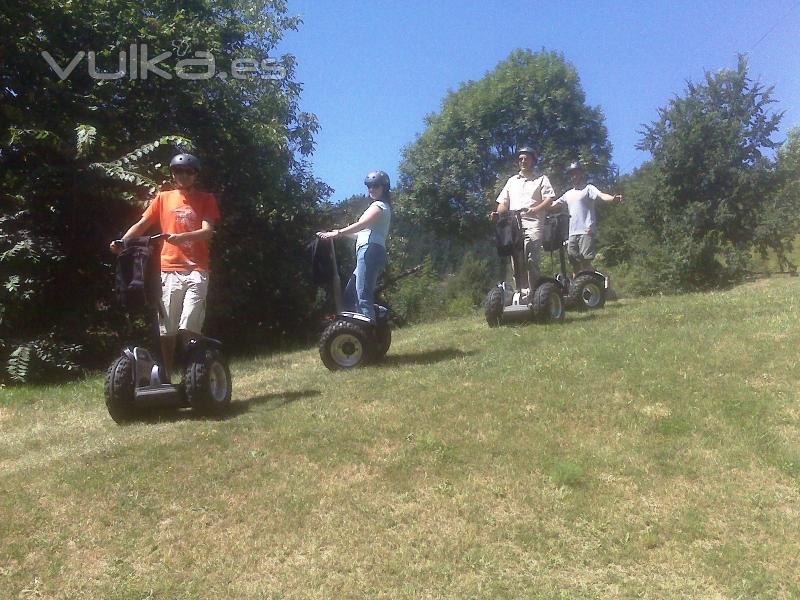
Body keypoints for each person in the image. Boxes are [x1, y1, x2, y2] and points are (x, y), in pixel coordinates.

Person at [110, 153, 220, 380]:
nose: (183, 175)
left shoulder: (206, 199)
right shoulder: (163, 198)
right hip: (168, 270)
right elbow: (142, 225)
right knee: (167, 329)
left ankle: (194, 374)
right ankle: (168, 375)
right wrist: (123, 243)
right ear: (173, 174)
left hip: (197, 269)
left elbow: (208, 231)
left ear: (195, 175)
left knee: (189, 326)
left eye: (188, 172)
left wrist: (180, 237)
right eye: (178, 171)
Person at [317, 171, 392, 322]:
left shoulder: (379, 206)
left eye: (375, 185)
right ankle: (370, 319)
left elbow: (362, 225)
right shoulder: (378, 206)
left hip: (370, 250)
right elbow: (362, 232)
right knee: (351, 294)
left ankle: (368, 334)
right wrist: (336, 234)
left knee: (362, 295)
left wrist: (338, 232)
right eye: (369, 186)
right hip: (368, 250)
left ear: (384, 187)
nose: (371, 189)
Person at [490, 146, 556, 288]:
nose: (523, 161)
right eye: (521, 159)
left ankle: (534, 293)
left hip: (533, 223)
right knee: (516, 261)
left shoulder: (541, 179)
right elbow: (503, 203)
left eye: (526, 158)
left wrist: (536, 209)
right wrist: (498, 213)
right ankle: (520, 292)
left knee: (531, 259)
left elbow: (549, 199)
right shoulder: (512, 181)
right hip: (514, 225)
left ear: (533, 161)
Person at [552, 161, 623, 275]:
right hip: (572, 233)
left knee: (585, 263)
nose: (574, 176)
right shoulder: (568, 193)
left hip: (586, 230)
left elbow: (602, 196)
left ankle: (596, 286)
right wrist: (537, 204)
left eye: (576, 173)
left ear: (581, 174)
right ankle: (577, 290)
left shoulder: (588, 188)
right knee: (574, 263)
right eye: (572, 174)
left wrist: (612, 199)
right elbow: (552, 205)